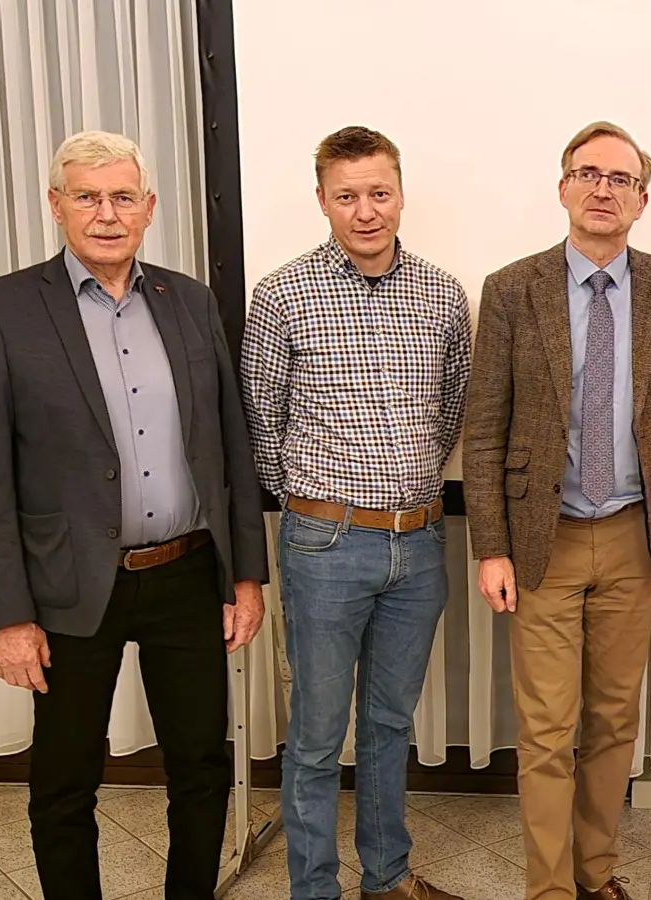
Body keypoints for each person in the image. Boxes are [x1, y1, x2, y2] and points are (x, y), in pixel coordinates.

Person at [0, 130, 268, 900]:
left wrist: (248, 576)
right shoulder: (2, 310)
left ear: (149, 208)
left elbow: (232, 446)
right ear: (56, 205)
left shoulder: (188, 301)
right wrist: (6, 615)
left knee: (199, 768)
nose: (106, 213)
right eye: (87, 196)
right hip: (66, 587)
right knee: (65, 783)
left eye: (122, 196)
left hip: (187, 575)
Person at [461, 121, 651, 900]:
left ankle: (597, 876)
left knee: (611, 725)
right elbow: (485, 425)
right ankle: (549, 890)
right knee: (545, 731)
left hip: (637, 538)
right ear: (563, 186)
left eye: (621, 179)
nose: (604, 190)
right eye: (588, 174)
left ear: (643, 199)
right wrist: (490, 546)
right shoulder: (512, 288)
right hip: (546, 541)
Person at [240, 126, 473, 900]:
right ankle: (315, 889)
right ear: (322, 202)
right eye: (348, 196)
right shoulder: (281, 294)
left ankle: (388, 878)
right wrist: (321, 505)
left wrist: (404, 494)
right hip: (324, 544)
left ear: (400, 193)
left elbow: (451, 414)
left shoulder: (442, 293)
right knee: (313, 737)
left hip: (418, 544)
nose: (366, 211)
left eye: (379, 193)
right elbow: (260, 426)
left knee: (388, 727)